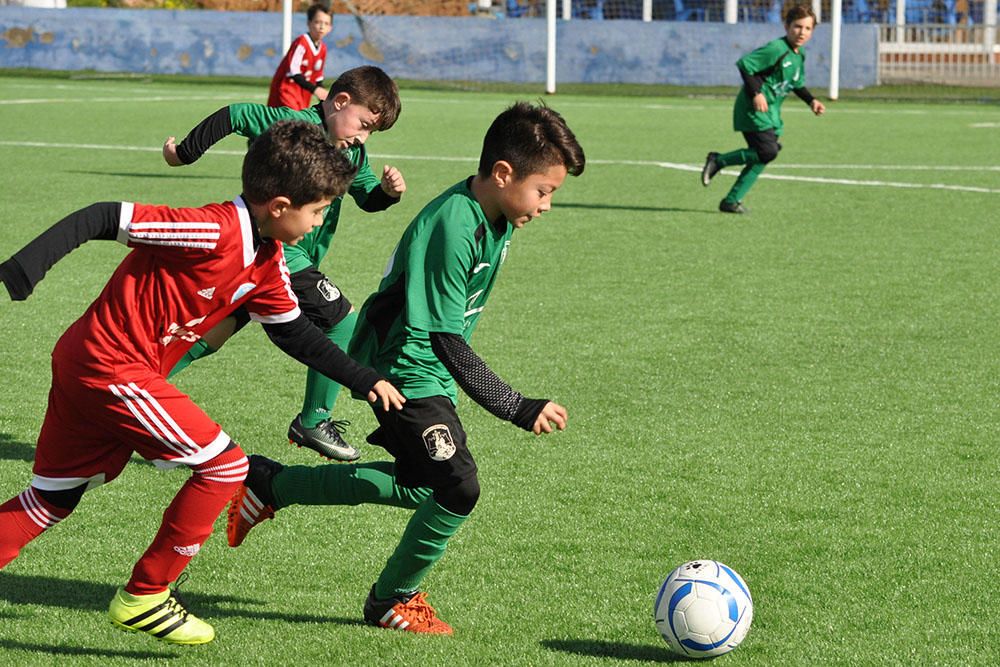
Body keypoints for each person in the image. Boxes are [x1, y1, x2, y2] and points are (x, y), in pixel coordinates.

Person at [0, 121, 405, 645]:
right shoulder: (213, 231)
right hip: (110, 366)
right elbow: (104, 216)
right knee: (226, 465)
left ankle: (143, 592)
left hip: (91, 363)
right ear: (279, 206)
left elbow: (296, 334)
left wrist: (364, 379)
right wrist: (25, 267)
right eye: (319, 210)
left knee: (52, 498)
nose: (321, 221)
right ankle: (146, 595)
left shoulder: (268, 261)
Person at [226, 101, 586, 635]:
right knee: (459, 486)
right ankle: (391, 600)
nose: (547, 204)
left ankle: (271, 484)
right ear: (504, 174)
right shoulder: (456, 224)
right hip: (404, 367)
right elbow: (443, 336)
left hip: (430, 368)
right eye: (544, 190)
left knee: (424, 486)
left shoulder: (497, 215)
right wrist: (514, 405)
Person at [162, 65, 405, 463]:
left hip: (270, 258)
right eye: (362, 124)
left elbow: (367, 199)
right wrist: (185, 153)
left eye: (370, 132)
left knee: (215, 330)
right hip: (275, 249)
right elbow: (235, 114)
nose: (363, 137)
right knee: (343, 322)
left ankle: (139, 388)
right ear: (339, 102)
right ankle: (314, 419)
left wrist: (387, 192)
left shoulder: (354, 151)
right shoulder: (294, 125)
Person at [700, 3, 826, 214]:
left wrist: (812, 100)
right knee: (767, 151)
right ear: (787, 26)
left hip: (772, 112)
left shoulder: (799, 55)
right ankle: (718, 161)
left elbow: (796, 83)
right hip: (753, 108)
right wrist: (756, 93)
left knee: (766, 153)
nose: (801, 32)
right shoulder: (777, 49)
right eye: (797, 26)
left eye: (807, 28)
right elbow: (745, 65)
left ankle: (731, 201)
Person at [268, 3, 333, 110]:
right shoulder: (301, 42)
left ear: (330, 28)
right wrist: (315, 90)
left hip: (302, 96)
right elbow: (294, 72)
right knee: (288, 123)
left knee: (300, 123)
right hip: (286, 92)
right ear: (309, 23)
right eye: (318, 22)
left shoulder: (323, 49)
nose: (322, 27)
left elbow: (318, 79)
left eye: (326, 23)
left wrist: (326, 100)